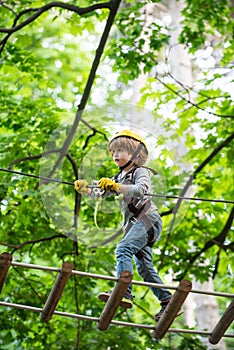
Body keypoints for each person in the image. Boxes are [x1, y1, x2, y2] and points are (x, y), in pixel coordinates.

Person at [74, 130, 173, 321]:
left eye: (121, 151)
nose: (115, 155)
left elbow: (141, 190)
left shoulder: (140, 172)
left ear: (135, 154)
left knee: (124, 249)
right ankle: (167, 301)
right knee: (144, 267)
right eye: (113, 152)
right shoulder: (119, 177)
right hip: (137, 225)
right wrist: (87, 189)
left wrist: (118, 187)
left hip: (147, 220)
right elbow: (102, 193)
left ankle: (124, 290)